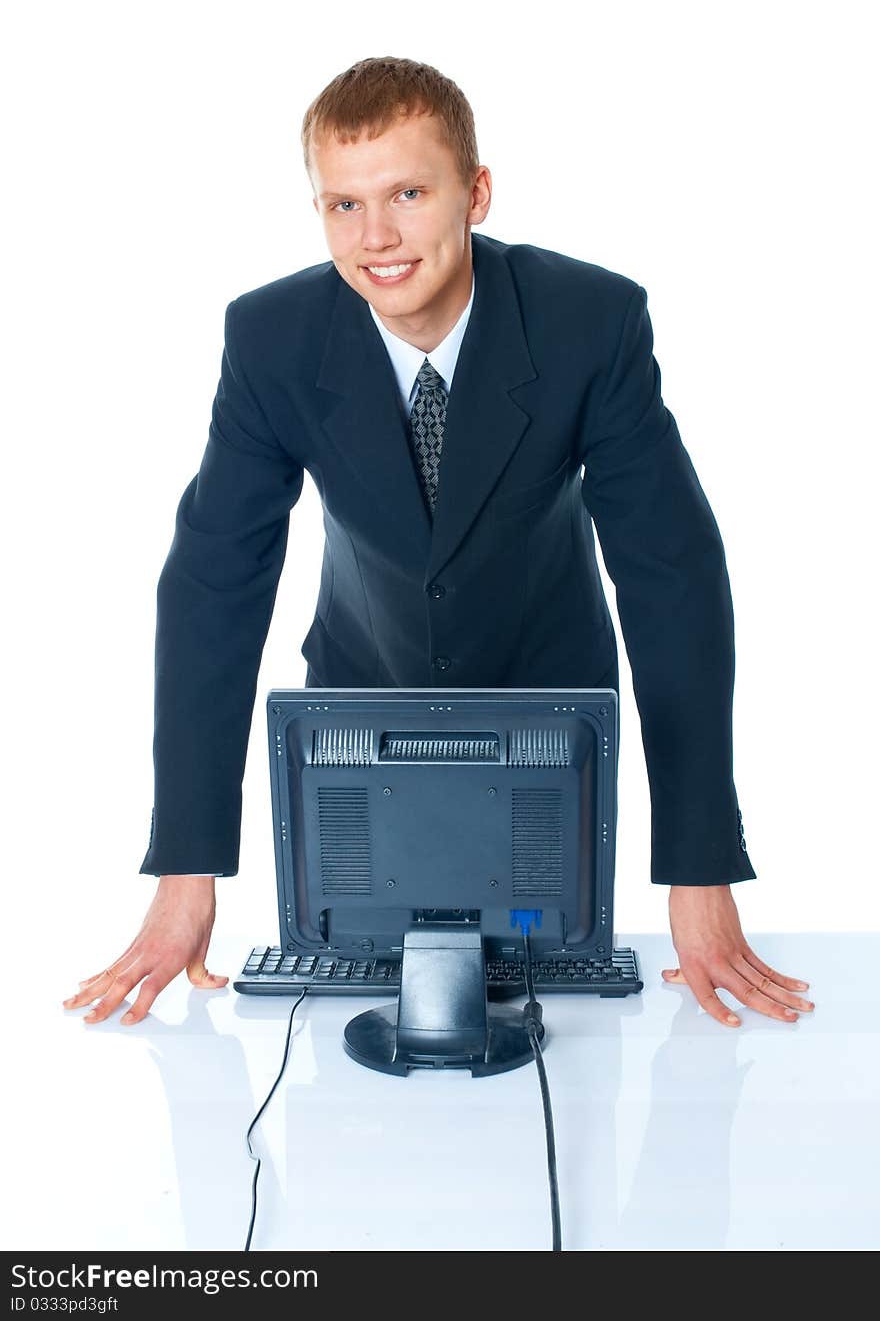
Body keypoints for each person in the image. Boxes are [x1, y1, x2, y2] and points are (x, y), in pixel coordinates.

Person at [63, 56, 813, 1032]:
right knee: (361, 1102)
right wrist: (184, 868)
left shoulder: (591, 323)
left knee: (564, 1053)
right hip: (358, 727)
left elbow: (671, 573)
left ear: (477, 193)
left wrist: (701, 868)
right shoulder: (272, 337)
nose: (374, 238)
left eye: (407, 194)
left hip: (546, 725)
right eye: (341, 204)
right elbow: (214, 584)